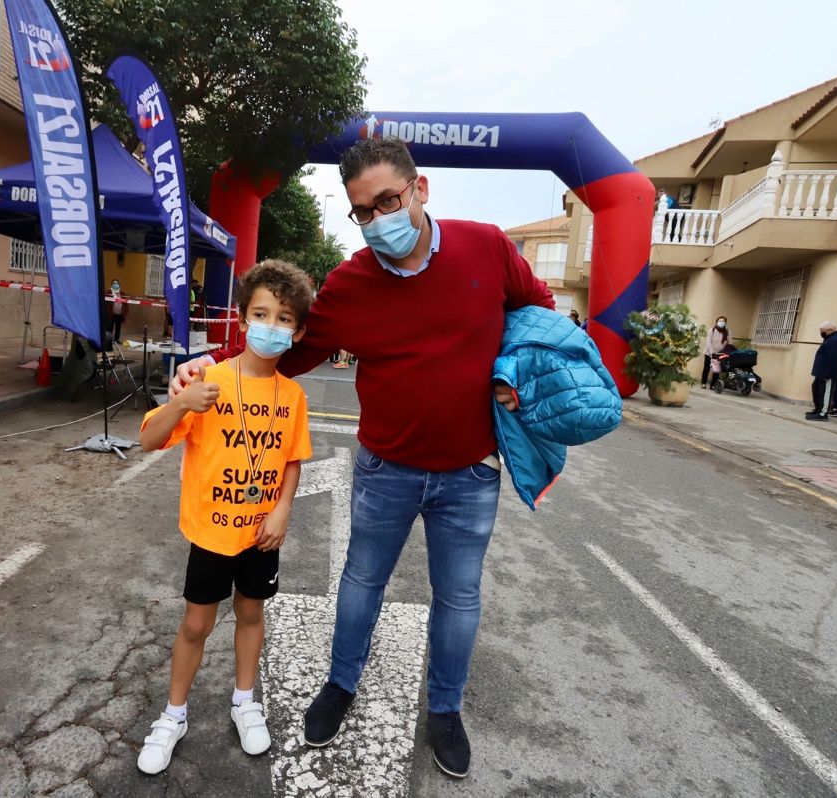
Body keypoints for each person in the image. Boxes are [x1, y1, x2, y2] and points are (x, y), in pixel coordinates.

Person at [172, 137, 554, 778]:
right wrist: (208, 368)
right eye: (363, 211)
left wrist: (514, 376)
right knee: (360, 583)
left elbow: (539, 312)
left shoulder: (487, 246)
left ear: (420, 190)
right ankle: (340, 685)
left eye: (388, 201)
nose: (379, 219)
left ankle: (446, 710)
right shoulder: (350, 284)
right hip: (386, 469)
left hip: (470, 473)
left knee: (458, 599)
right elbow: (284, 354)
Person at [135, 260, 313, 775]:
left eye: (284, 318)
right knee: (196, 623)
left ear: (297, 331)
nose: (271, 326)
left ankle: (244, 700)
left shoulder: (293, 396)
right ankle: (174, 714)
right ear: (240, 319)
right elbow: (148, 440)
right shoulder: (207, 380)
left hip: (262, 535)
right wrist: (183, 403)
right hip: (211, 533)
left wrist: (282, 508)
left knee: (252, 615)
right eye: (261, 313)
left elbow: (293, 459)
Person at [807, 321, 837, 421]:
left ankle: (822, 413)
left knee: (825, 392)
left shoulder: (834, 340)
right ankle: (818, 409)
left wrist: (828, 373)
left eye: (822, 331)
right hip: (821, 372)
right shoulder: (831, 338)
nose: (821, 333)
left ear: (830, 330)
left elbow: (833, 359)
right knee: (817, 389)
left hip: (827, 373)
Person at [701, 315, 731, 389]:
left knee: (716, 370)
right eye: (720, 321)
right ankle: (703, 383)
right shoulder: (712, 330)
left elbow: (730, 343)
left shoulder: (727, 332)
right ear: (717, 322)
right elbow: (708, 341)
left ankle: (713, 385)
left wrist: (728, 351)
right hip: (709, 353)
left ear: (725, 323)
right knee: (706, 368)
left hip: (720, 354)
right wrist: (712, 352)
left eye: (723, 321)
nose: (721, 322)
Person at [106, 279, 128, 345]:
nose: (115, 285)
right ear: (112, 285)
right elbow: (106, 303)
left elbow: (125, 303)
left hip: (119, 314)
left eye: (117, 283)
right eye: (114, 283)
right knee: (110, 327)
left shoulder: (122, 294)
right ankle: (109, 339)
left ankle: (116, 339)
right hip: (111, 314)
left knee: (118, 327)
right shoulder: (108, 293)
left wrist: (125, 312)